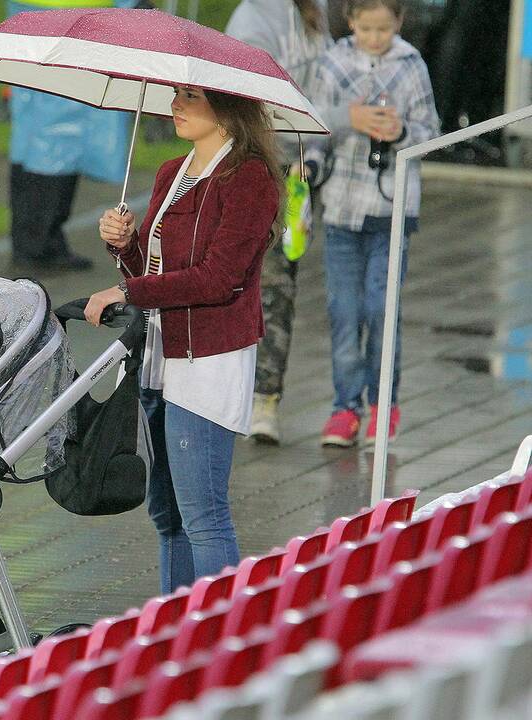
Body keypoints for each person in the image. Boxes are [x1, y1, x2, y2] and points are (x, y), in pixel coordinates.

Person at [84, 85, 282, 592]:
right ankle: (177, 636)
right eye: (174, 93)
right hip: (159, 358)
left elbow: (219, 278)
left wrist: (127, 288)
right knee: (168, 515)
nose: (175, 104)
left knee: (203, 516)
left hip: (209, 362)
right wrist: (126, 248)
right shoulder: (173, 172)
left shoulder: (250, 179)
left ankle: (221, 638)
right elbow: (158, 271)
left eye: (189, 96)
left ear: (226, 107)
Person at [303, 0, 439, 447]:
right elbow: (315, 127)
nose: (376, 38)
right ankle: (345, 408)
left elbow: (432, 131)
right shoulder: (333, 62)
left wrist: (400, 133)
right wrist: (309, 168)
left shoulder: (410, 64)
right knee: (343, 312)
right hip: (341, 209)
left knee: (381, 310)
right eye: (367, 29)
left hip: (392, 210)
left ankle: (384, 404)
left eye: (384, 29)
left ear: (399, 23)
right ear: (350, 22)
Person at [225, 0, 333, 445]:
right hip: (254, 162)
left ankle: (264, 397)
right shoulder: (252, 21)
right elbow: (246, 104)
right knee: (244, 278)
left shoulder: (316, 13)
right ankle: (234, 390)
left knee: (278, 284)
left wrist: (316, 158)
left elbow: (324, 98)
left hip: (298, 169)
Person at [7, 0, 142, 273]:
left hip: (40, 12)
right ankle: (40, 243)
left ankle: (33, 240)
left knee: (35, 129)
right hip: (75, 14)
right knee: (59, 134)